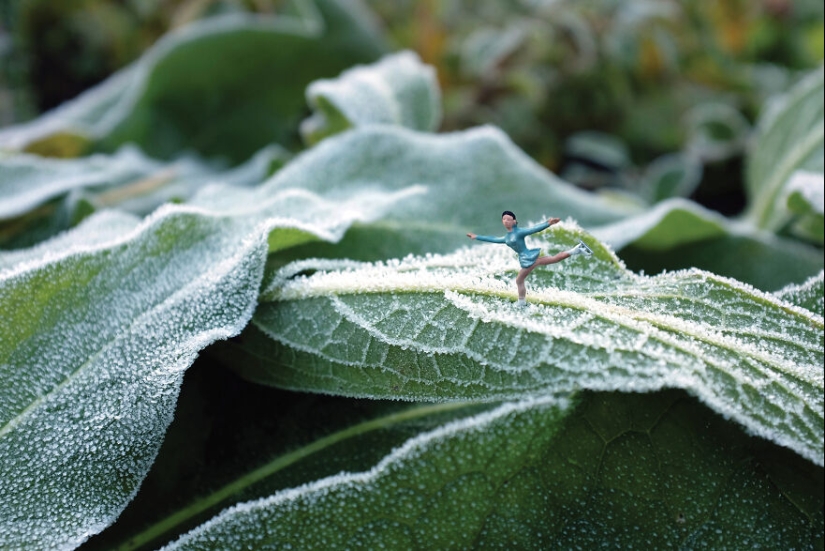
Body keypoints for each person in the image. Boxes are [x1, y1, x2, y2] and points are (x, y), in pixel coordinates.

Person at [467, 210, 592, 305]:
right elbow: (493, 239)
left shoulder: (519, 232)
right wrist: (477, 237)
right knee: (553, 259)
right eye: (504, 219)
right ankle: (577, 249)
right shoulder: (506, 237)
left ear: (514, 221)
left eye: (508, 219)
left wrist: (548, 223)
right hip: (527, 258)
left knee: (519, 280)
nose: (506, 221)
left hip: (528, 259)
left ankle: (521, 303)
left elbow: (533, 229)